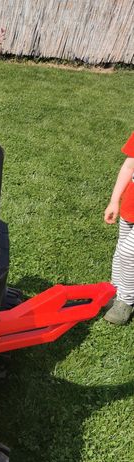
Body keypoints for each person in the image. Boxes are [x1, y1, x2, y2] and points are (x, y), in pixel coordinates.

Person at [104, 132, 134, 324]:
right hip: (130, 207)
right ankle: (114, 290)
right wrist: (114, 201)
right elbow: (129, 166)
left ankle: (125, 301)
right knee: (120, 249)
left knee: (128, 252)